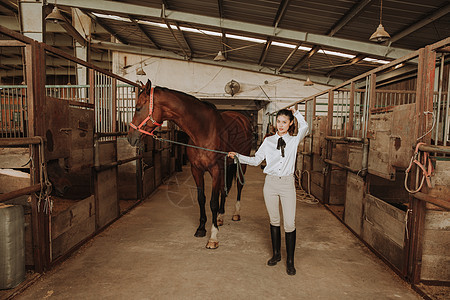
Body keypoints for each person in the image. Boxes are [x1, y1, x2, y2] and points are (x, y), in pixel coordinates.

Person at [228, 108, 308, 275]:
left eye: (284, 122)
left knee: (290, 223)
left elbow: (305, 127)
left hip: (287, 184)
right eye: (278, 122)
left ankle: (290, 261)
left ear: (290, 123)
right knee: (274, 220)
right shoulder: (269, 141)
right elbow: (256, 160)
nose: (281, 125)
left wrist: (297, 113)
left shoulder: (294, 141)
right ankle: (276, 254)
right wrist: (238, 157)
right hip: (270, 184)